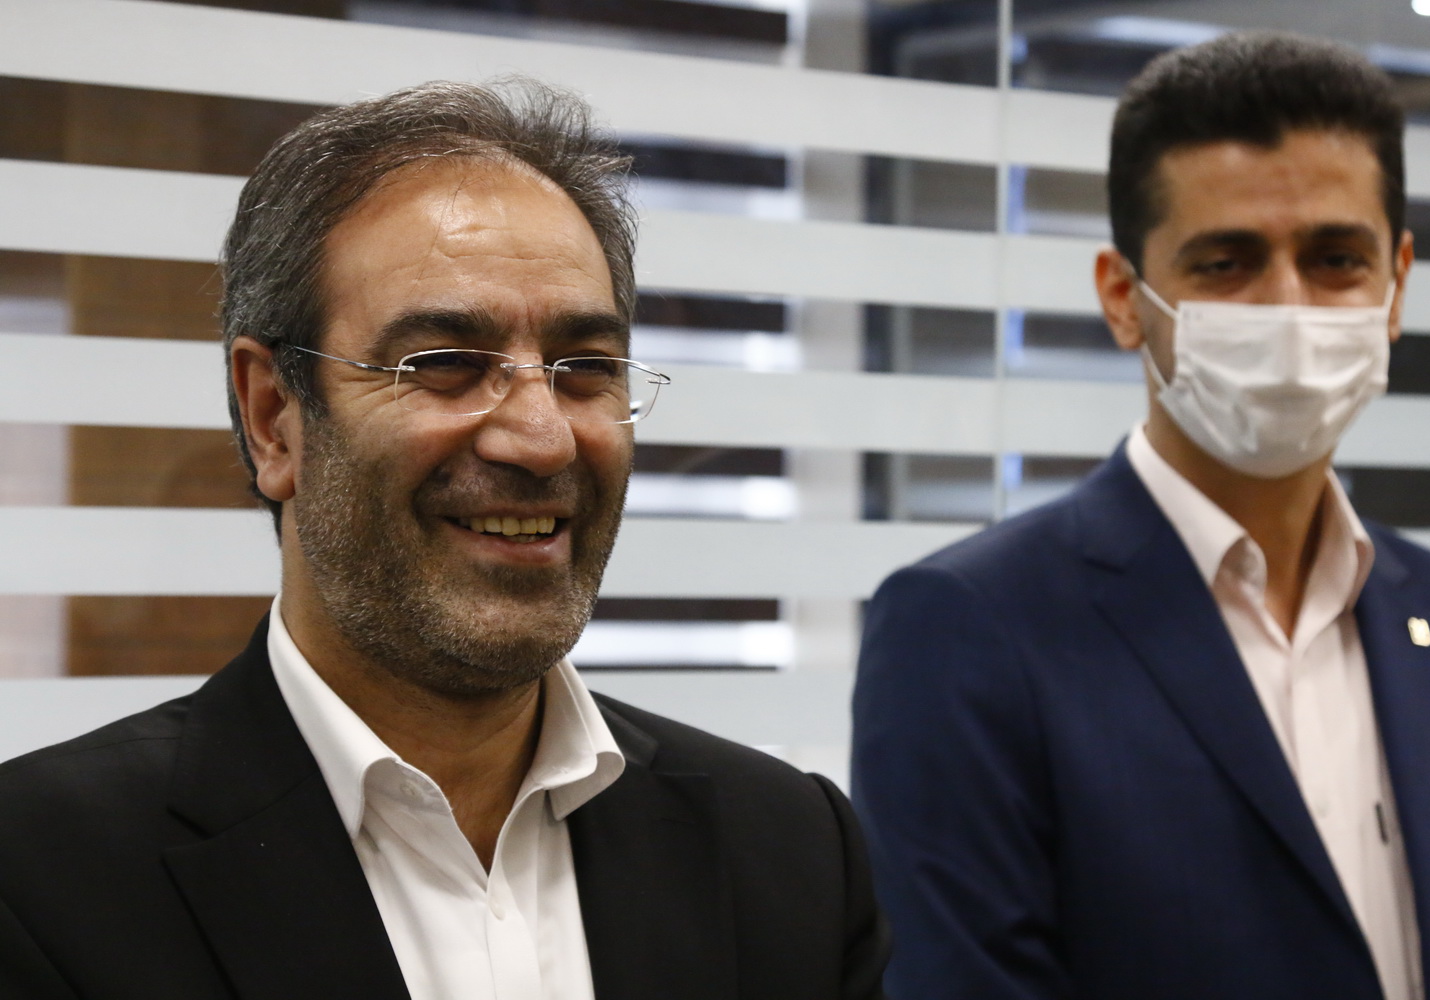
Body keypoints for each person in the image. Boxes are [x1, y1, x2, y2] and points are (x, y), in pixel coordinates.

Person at [0, 78, 888, 1000]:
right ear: (273, 419)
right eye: (446, 363)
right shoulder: (40, 883)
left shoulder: (788, 854)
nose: (542, 438)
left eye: (586, 368)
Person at [852, 31, 1430, 1000]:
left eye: (1336, 258)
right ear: (1125, 298)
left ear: (1397, 284)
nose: (1289, 309)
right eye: (1227, 262)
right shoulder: (969, 631)